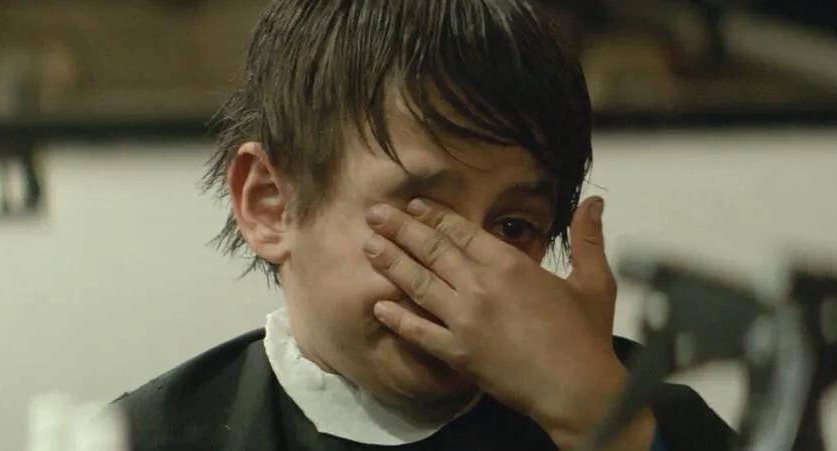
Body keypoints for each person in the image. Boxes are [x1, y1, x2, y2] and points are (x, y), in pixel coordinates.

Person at [114, 1, 734, 450]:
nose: (472, 279)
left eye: (513, 227)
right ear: (271, 205)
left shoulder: (644, 419)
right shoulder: (149, 436)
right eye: (423, 219)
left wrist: (600, 422)